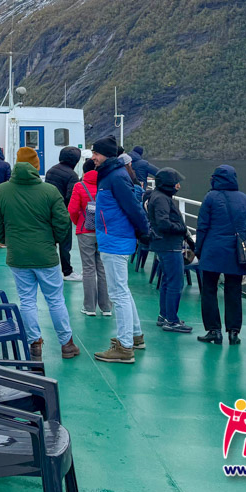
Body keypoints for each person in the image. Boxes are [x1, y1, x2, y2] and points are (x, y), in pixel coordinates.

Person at [0, 148, 79, 361]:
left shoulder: (2, 191)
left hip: (18, 256)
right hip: (45, 255)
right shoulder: (49, 191)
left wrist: (6, 239)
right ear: (36, 166)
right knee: (55, 300)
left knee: (27, 300)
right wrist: (52, 240)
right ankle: (67, 344)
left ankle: (34, 344)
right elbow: (63, 222)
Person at [89, 135, 149, 364]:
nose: (93, 157)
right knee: (123, 291)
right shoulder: (112, 175)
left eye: (96, 153)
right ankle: (135, 336)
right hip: (114, 238)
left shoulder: (115, 177)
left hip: (115, 240)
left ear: (107, 155)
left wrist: (144, 230)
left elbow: (132, 207)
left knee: (118, 294)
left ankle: (124, 347)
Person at [194, 165, 246, 345]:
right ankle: (234, 332)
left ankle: (214, 331)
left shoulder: (210, 197)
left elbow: (203, 226)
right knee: (234, 291)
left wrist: (199, 250)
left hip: (213, 250)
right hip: (237, 252)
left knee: (209, 290)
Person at [146, 168, 191, 333]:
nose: (178, 186)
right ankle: (171, 320)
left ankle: (164, 315)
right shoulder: (162, 199)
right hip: (169, 245)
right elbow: (163, 223)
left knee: (167, 280)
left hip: (164, 244)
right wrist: (181, 229)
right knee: (175, 282)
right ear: (168, 184)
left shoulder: (158, 197)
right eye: (175, 183)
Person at [68, 159, 112, 317]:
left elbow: (72, 209)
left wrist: (79, 222)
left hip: (85, 231)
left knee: (88, 269)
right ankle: (106, 307)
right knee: (103, 269)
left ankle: (89, 307)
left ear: (84, 171)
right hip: (103, 232)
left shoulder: (80, 186)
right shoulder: (106, 184)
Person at [44, 146, 82, 281]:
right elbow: (71, 196)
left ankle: (50, 270)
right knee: (65, 244)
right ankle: (67, 271)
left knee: (50, 241)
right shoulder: (72, 175)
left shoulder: (51, 170)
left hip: (48, 212)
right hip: (62, 214)